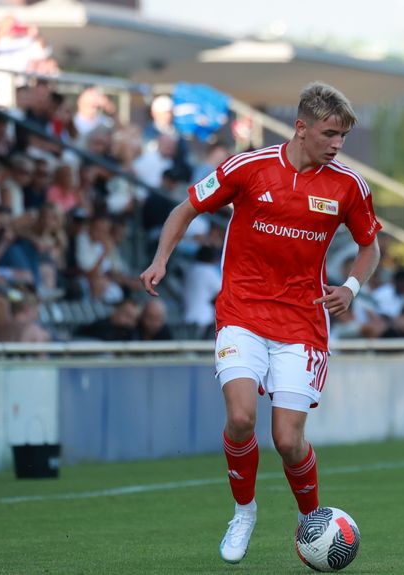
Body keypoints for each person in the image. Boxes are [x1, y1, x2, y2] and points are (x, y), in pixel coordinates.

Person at [139, 81, 382, 564]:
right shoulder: (249, 167)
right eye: (330, 133)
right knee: (240, 417)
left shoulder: (348, 186)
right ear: (301, 127)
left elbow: (369, 247)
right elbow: (186, 208)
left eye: (343, 136)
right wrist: (161, 258)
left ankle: (312, 523)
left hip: (302, 323)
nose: (337, 144)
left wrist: (351, 288)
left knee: (288, 441)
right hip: (242, 313)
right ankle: (244, 511)